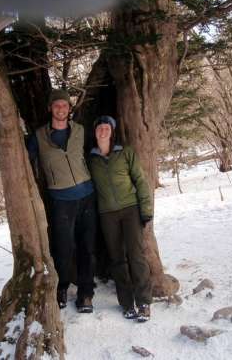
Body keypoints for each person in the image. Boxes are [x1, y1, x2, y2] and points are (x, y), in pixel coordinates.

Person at [27, 89, 96, 313]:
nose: (61, 109)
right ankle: (62, 287)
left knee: (87, 247)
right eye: (56, 105)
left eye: (64, 106)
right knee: (63, 248)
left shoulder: (80, 131)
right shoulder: (39, 137)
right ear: (50, 108)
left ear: (69, 109)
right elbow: (25, 162)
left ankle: (86, 294)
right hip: (60, 200)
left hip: (86, 196)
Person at [89, 115, 153, 322]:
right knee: (117, 259)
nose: (103, 131)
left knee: (137, 256)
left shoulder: (125, 152)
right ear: (95, 132)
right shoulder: (91, 159)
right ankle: (127, 303)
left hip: (130, 209)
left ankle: (143, 302)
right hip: (107, 214)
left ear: (112, 131)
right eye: (99, 127)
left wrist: (146, 209)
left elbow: (141, 181)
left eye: (107, 127)